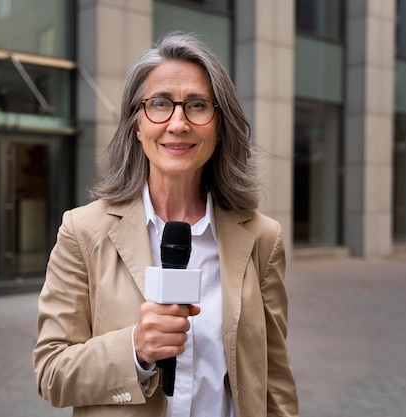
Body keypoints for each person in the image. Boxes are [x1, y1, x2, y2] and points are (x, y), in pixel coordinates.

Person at [32, 32, 299, 417]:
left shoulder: (261, 238)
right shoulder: (82, 231)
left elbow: (275, 379)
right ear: (137, 125)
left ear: (220, 126)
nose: (178, 123)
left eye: (197, 105)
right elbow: (51, 373)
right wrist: (135, 349)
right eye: (159, 104)